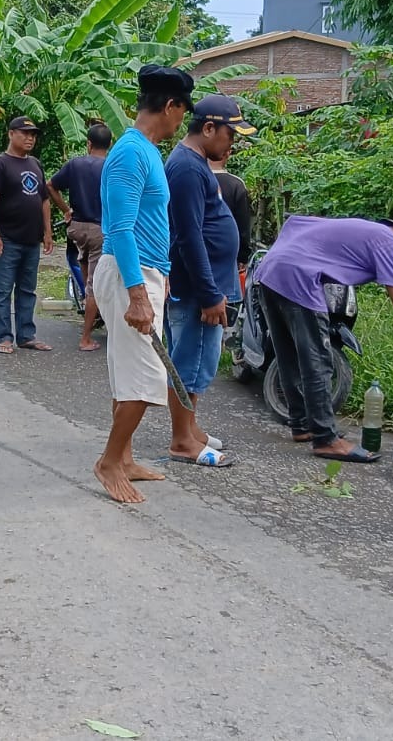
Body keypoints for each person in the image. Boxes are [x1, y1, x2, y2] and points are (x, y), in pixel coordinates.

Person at [256, 215, 393, 463]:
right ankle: (326, 440)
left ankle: (303, 425)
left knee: (289, 355)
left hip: (270, 270)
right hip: (298, 276)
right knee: (318, 361)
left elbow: (295, 222)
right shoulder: (389, 242)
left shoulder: (366, 230)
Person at [92, 65, 195, 504]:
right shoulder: (131, 153)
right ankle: (109, 462)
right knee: (146, 379)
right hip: (128, 274)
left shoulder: (147, 151)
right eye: (181, 114)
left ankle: (126, 457)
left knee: (129, 373)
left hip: (144, 273)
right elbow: (120, 228)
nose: (180, 124)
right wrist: (138, 294)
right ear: (170, 106)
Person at [164, 96, 257, 469]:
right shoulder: (187, 168)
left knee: (196, 359)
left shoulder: (196, 164)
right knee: (192, 360)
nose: (231, 143)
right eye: (229, 134)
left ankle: (191, 429)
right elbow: (189, 236)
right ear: (207, 128)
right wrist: (208, 293)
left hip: (207, 283)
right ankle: (182, 441)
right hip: (199, 289)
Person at [0, 115, 54, 354]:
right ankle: (4, 337)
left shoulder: (35, 163)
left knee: (27, 290)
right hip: (7, 239)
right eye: (25, 133)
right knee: (3, 290)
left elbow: (44, 200)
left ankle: (26, 335)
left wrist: (47, 231)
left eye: (33, 134)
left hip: (31, 240)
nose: (30, 138)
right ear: (11, 134)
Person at [49, 122, 111, 352]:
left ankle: (92, 316)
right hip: (99, 231)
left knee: (87, 280)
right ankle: (86, 338)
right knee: (94, 286)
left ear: (89, 143)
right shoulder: (111, 167)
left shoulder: (75, 164)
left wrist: (66, 210)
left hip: (76, 229)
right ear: (110, 145)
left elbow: (50, 186)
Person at [209, 134, 252, 285]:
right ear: (228, 153)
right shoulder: (236, 185)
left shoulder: (191, 177)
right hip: (227, 257)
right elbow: (243, 225)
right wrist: (243, 256)